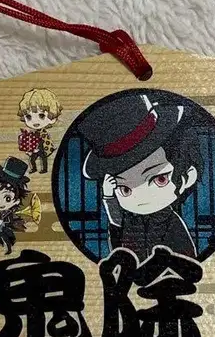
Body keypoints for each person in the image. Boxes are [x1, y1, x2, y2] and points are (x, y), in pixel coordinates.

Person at [77, 91, 202, 261]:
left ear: (187, 177)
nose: (141, 196)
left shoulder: (172, 226)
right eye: (125, 189)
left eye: (160, 179)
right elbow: (117, 239)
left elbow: (187, 263)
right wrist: (108, 197)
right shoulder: (130, 222)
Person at [0, 157, 32, 254]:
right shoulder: (4, 212)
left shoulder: (9, 213)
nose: (0, 204)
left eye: (8, 198)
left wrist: (3, 222)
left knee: (0, 238)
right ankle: (5, 248)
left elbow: (10, 221)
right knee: (2, 238)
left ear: (16, 201)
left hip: (3, 228)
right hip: (1, 228)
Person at [17, 87, 62, 174]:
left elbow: (45, 142)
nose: (35, 121)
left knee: (43, 158)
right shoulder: (33, 133)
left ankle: (44, 169)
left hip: (42, 148)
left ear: (52, 118)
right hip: (35, 148)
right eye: (28, 117)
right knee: (32, 159)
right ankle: (34, 168)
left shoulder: (43, 133)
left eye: (41, 115)